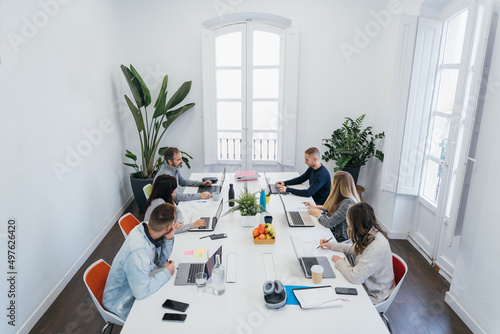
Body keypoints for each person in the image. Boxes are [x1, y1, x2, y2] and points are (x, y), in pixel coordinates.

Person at [103, 203, 177, 320]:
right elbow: (141, 292)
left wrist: (168, 239)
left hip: (138, 283)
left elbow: (160, 262)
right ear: (168, 227)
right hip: (122, 302)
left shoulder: (149, 228)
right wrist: (166, 272)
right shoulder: (138, 251)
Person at [319, 202, 394, 304]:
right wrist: (331, 245)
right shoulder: (371, 232)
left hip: (374, 295)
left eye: (348, 220)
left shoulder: (376, 247)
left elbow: (355, 278)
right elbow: (356, 248)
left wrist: (340, 262)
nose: (347, 222)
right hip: (366, 283)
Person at [304, 171, 360, 242]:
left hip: (340, 239)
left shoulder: (347, 202)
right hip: (336, 233)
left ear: (337, 185)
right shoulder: (345, 198)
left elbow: (329, 223)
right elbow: (336, 209)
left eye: (333, 181)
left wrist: (318, 214)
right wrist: (316, 206)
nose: (331, 183)